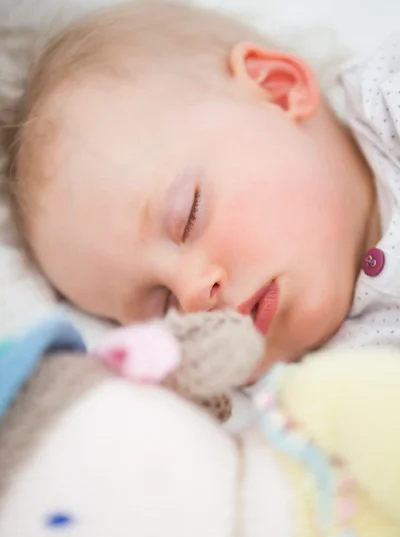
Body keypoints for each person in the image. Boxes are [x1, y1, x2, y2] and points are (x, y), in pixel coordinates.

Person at [7, 0, 397, 376]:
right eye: (163, 306)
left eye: (188, 217)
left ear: (278, 88)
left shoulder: (388, 101)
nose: (193, 295)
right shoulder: (318, 398)